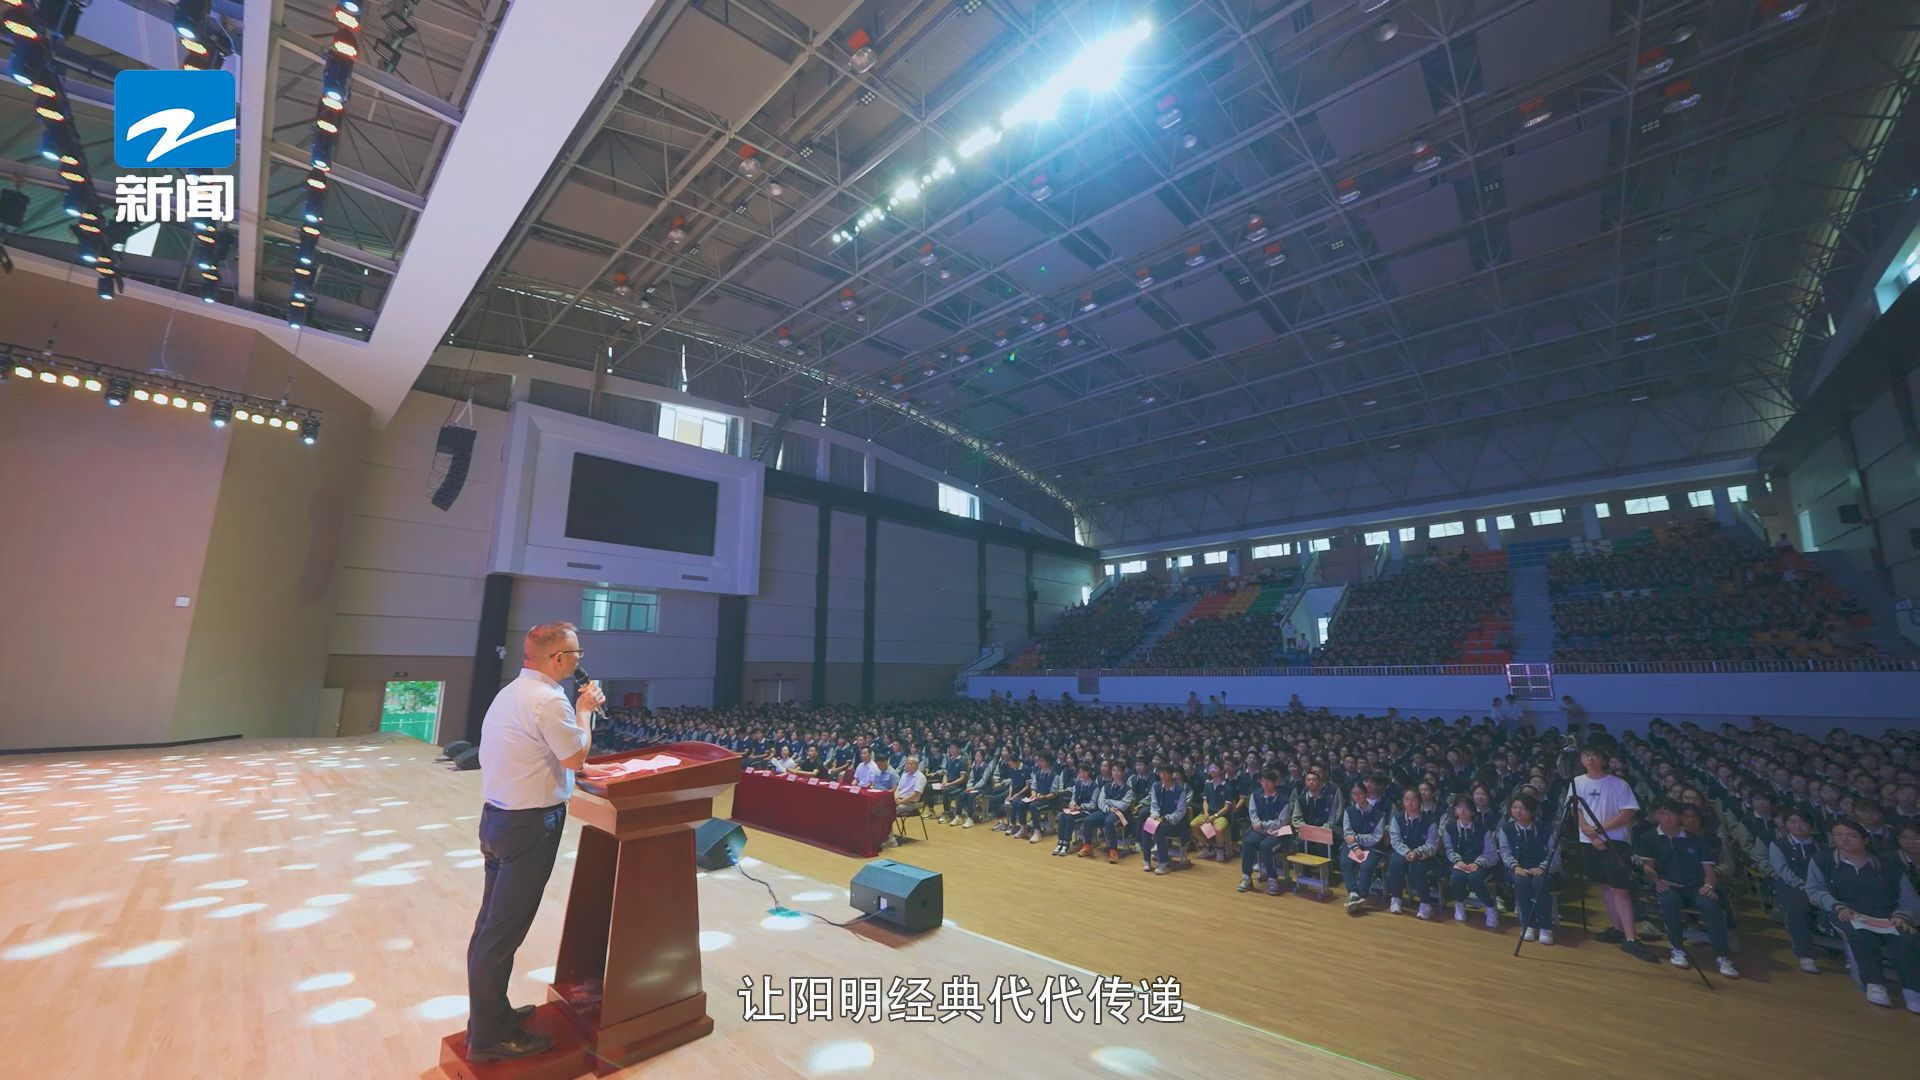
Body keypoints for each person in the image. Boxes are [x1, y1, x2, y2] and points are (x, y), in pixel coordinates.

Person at [466, 621, 610, 1062]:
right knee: (501, 934)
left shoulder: (511, 693)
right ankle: (488, 1038)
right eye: (577, 653)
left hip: (498, 820)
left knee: (491, 927)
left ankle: (491, 1015)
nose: (579, 660)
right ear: (559, 658)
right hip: (527, 826)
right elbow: (576, 757)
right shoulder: (549, 700)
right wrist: (584, 710)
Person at [1805, 818, 1920, 1012]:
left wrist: (1903, 915)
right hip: (1846, 912)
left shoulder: (1887, 864)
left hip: (1887, 914)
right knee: (1861, 935)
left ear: (1865, 839)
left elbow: (1909, 898)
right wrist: (1836, 906)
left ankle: (1912, 989)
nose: (1844, 840)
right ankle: (1875, 983)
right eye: (1838, 835)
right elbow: (1815, 890)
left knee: (1906, 938)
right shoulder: (1823, 860)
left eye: (1851, 835)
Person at [1635, 799, 1739, 978]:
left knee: (1710, 904)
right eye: (1661, 813)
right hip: (1669, 885)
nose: (1667, 818)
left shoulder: (1696, 840)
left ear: (1679, 816)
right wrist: (1656, 881)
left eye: (1670, 813)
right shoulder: (1648, 837)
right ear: (1655, 816)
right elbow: (1647, 866)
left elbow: (1709, 871)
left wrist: (1709, 886)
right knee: (1669, 901)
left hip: (1695, 886)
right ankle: (1677, 948)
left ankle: (1722, 956)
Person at [1572, 746, 1655, 961]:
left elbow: (1627, 814)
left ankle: (1631, 938)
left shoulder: (1618, 784)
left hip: (1615, 841)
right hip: (1588, 840)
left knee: (1621, 889)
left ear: (1603, 759)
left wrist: (1598, 831)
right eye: (1585, 755)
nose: (1589, 758)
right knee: (1605, 885)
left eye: (1594, 754)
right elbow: (1576, 809)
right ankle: (1617, 928)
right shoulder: (1577, 782)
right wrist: (1590, 833)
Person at [1768, 805, 1827, 974]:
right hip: (1792, 886)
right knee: (1798, 909)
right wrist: (1803, 886)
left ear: (1811, 825)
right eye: (1792, 822)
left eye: (1802, 822)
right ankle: (1805, 955)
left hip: (1819, 886)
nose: (1797, 826)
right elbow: (1783, 871)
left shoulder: (1820, 845)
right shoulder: (1778, 844)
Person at [1500, 792, 1558, 944]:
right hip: (1518, 868)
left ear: (1531, 811)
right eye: (1514, 807)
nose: (1518, 811)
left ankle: (1545, 927)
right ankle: (1528, 924)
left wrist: (1543, 868)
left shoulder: (1546, 829)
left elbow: (1554, 854)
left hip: (1542, 868)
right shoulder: (1506, 828)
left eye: (1523, 808)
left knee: (1539, 883)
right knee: (1521, 882)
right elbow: (1505, 852)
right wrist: (1515, 866)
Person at [1444, 796, 1500, 929]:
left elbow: (1491, 853)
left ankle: (1490, 907)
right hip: (1459, 862)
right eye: (1459, 807)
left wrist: (1477, 863)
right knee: (1457, 878)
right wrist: (1458, 860)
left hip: (1480, 863)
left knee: (1475, 879)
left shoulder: (1482, 828)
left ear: (1473, 811)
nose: (1462, 810)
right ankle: (1459, 904)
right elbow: (1448, 849)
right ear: (1455, 810)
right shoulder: (1450, 827)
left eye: (1466, 808)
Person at [1386, 788, 1441, 919]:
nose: (1410, 803)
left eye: (1413, 800)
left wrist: (1417, 853)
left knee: (1416, 867)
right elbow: (1395, 840)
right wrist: (1408, 852)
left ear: (1420, 802)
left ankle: (1425, 904)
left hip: (1424, 855)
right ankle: (1396, 899)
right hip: (1403, 852)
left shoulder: (1430, 821)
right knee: (1395, 863)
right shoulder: (1397, 818)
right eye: (1407, 799)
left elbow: (1432, 845)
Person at [1240, 769, 1290, 895]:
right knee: (1248, 843)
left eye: (1268, 781)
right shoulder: (1255, 795)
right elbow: (1253, 816)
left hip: (1277, 833)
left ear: (1275, 783)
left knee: (1266, 846)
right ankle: (1246, 877)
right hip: (1260, 831)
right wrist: (1260, 826)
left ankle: (1272, 879)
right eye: (1263, 781)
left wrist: (1263, 825)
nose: (1265, 784)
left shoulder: (1283, 800)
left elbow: (1281, 822)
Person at [1340, 781, 1386, 913]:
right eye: (1354, 794)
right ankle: (1353, 893)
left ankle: (1361, 895)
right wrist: (1356, 848)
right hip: (1353, 846)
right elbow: (1347, 833)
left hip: (1373, 847)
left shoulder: (1377, 814)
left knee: (1366, 866)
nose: (1357, 797)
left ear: (1366, 794)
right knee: (1345, 862)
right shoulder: (1349, 811)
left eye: (1360, 793)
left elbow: (1376, 837)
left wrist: (1357, 839)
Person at [1142, 763, 1190, 876]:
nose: (1162, 776)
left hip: (1176, 824)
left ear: (1171, 774)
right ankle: (1146, 860)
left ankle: (1163, 863)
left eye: (1165, 773)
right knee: (1146, 826)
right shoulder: (1156, 786)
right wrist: (1155, 816)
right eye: (1161, 773)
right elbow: (1154, 805)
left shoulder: (1180, 790)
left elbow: (1180, 813)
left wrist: (1164, 818)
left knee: (1159, 829)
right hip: (1159, 820)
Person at [1055, 761, 1099, 857]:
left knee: (1069, 818)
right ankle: (1060, 842)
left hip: (1086, 811)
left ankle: (1066, 843)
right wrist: (1072, 804)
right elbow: (1073, 798)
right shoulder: (1078, 784)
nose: (1081, 774)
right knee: (1063, 815)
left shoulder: (1094, 787)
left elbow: (1093, 805)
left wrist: (1080, 807)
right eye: (1080, 772)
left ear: (1088, 772)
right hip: (1076, 810)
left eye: (1084, 772)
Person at [886, 756, 925, 848]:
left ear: (916, 765)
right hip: (899, 800)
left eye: (911, 764)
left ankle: (891, 840)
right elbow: (898, 788)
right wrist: (896, 797)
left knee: (889, 812)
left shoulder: (920, 777)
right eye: (907, 763)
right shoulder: (904, 775)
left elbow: (916, 794)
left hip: (911, 803)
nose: (908, 765)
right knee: (880, 809)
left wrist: (901, 802)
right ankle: (883, 835)